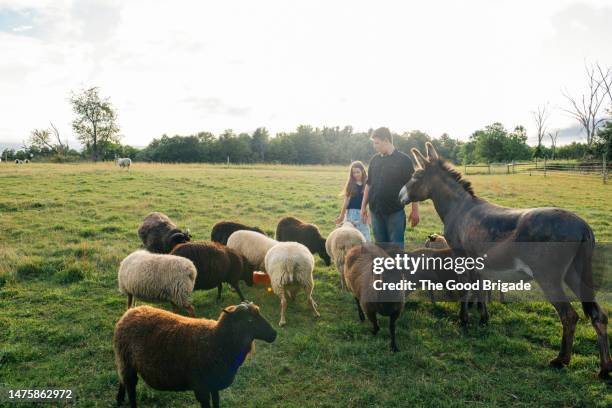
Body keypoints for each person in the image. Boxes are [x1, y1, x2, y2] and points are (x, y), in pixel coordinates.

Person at [360, 127, 419, 248]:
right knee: (381, 248)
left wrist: (415, 211)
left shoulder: (404, 160)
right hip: (376, 212)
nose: (374, 146)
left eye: (377, 143)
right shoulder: (374, 160)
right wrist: (363, 207)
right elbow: (369, 184)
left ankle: (397, 267)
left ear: (386, 140)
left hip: (395, 213)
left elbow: (413, 187)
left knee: (396, 249)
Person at [335, 161, 372, 241]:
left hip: (362, 214)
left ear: (362, 171)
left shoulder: (367, 184)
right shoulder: (351, 184)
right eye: (353, 173)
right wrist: (341, 216)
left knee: (365, 238)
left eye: (357, 172)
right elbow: (346, 201)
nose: (355, 175)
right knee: (350, 237)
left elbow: (371, 200)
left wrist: (369, 215)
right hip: (350, 214)